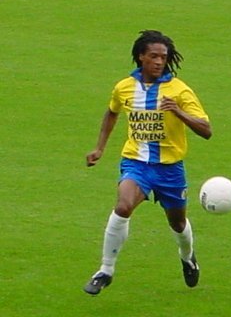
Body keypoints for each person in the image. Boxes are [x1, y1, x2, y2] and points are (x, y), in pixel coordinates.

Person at [83, 30, 212, 295]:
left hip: (170, 169)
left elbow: (206, 130)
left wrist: (178, 111)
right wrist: (99, 148)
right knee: (123, 205)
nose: (158, 61)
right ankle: (105, 270)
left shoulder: (179, 90)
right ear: (141, 56)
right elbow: (111, 112)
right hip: (136, 163)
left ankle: (187, 257)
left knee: (177, 223)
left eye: (163, 57)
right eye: (153, 56)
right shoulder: (124, 87)